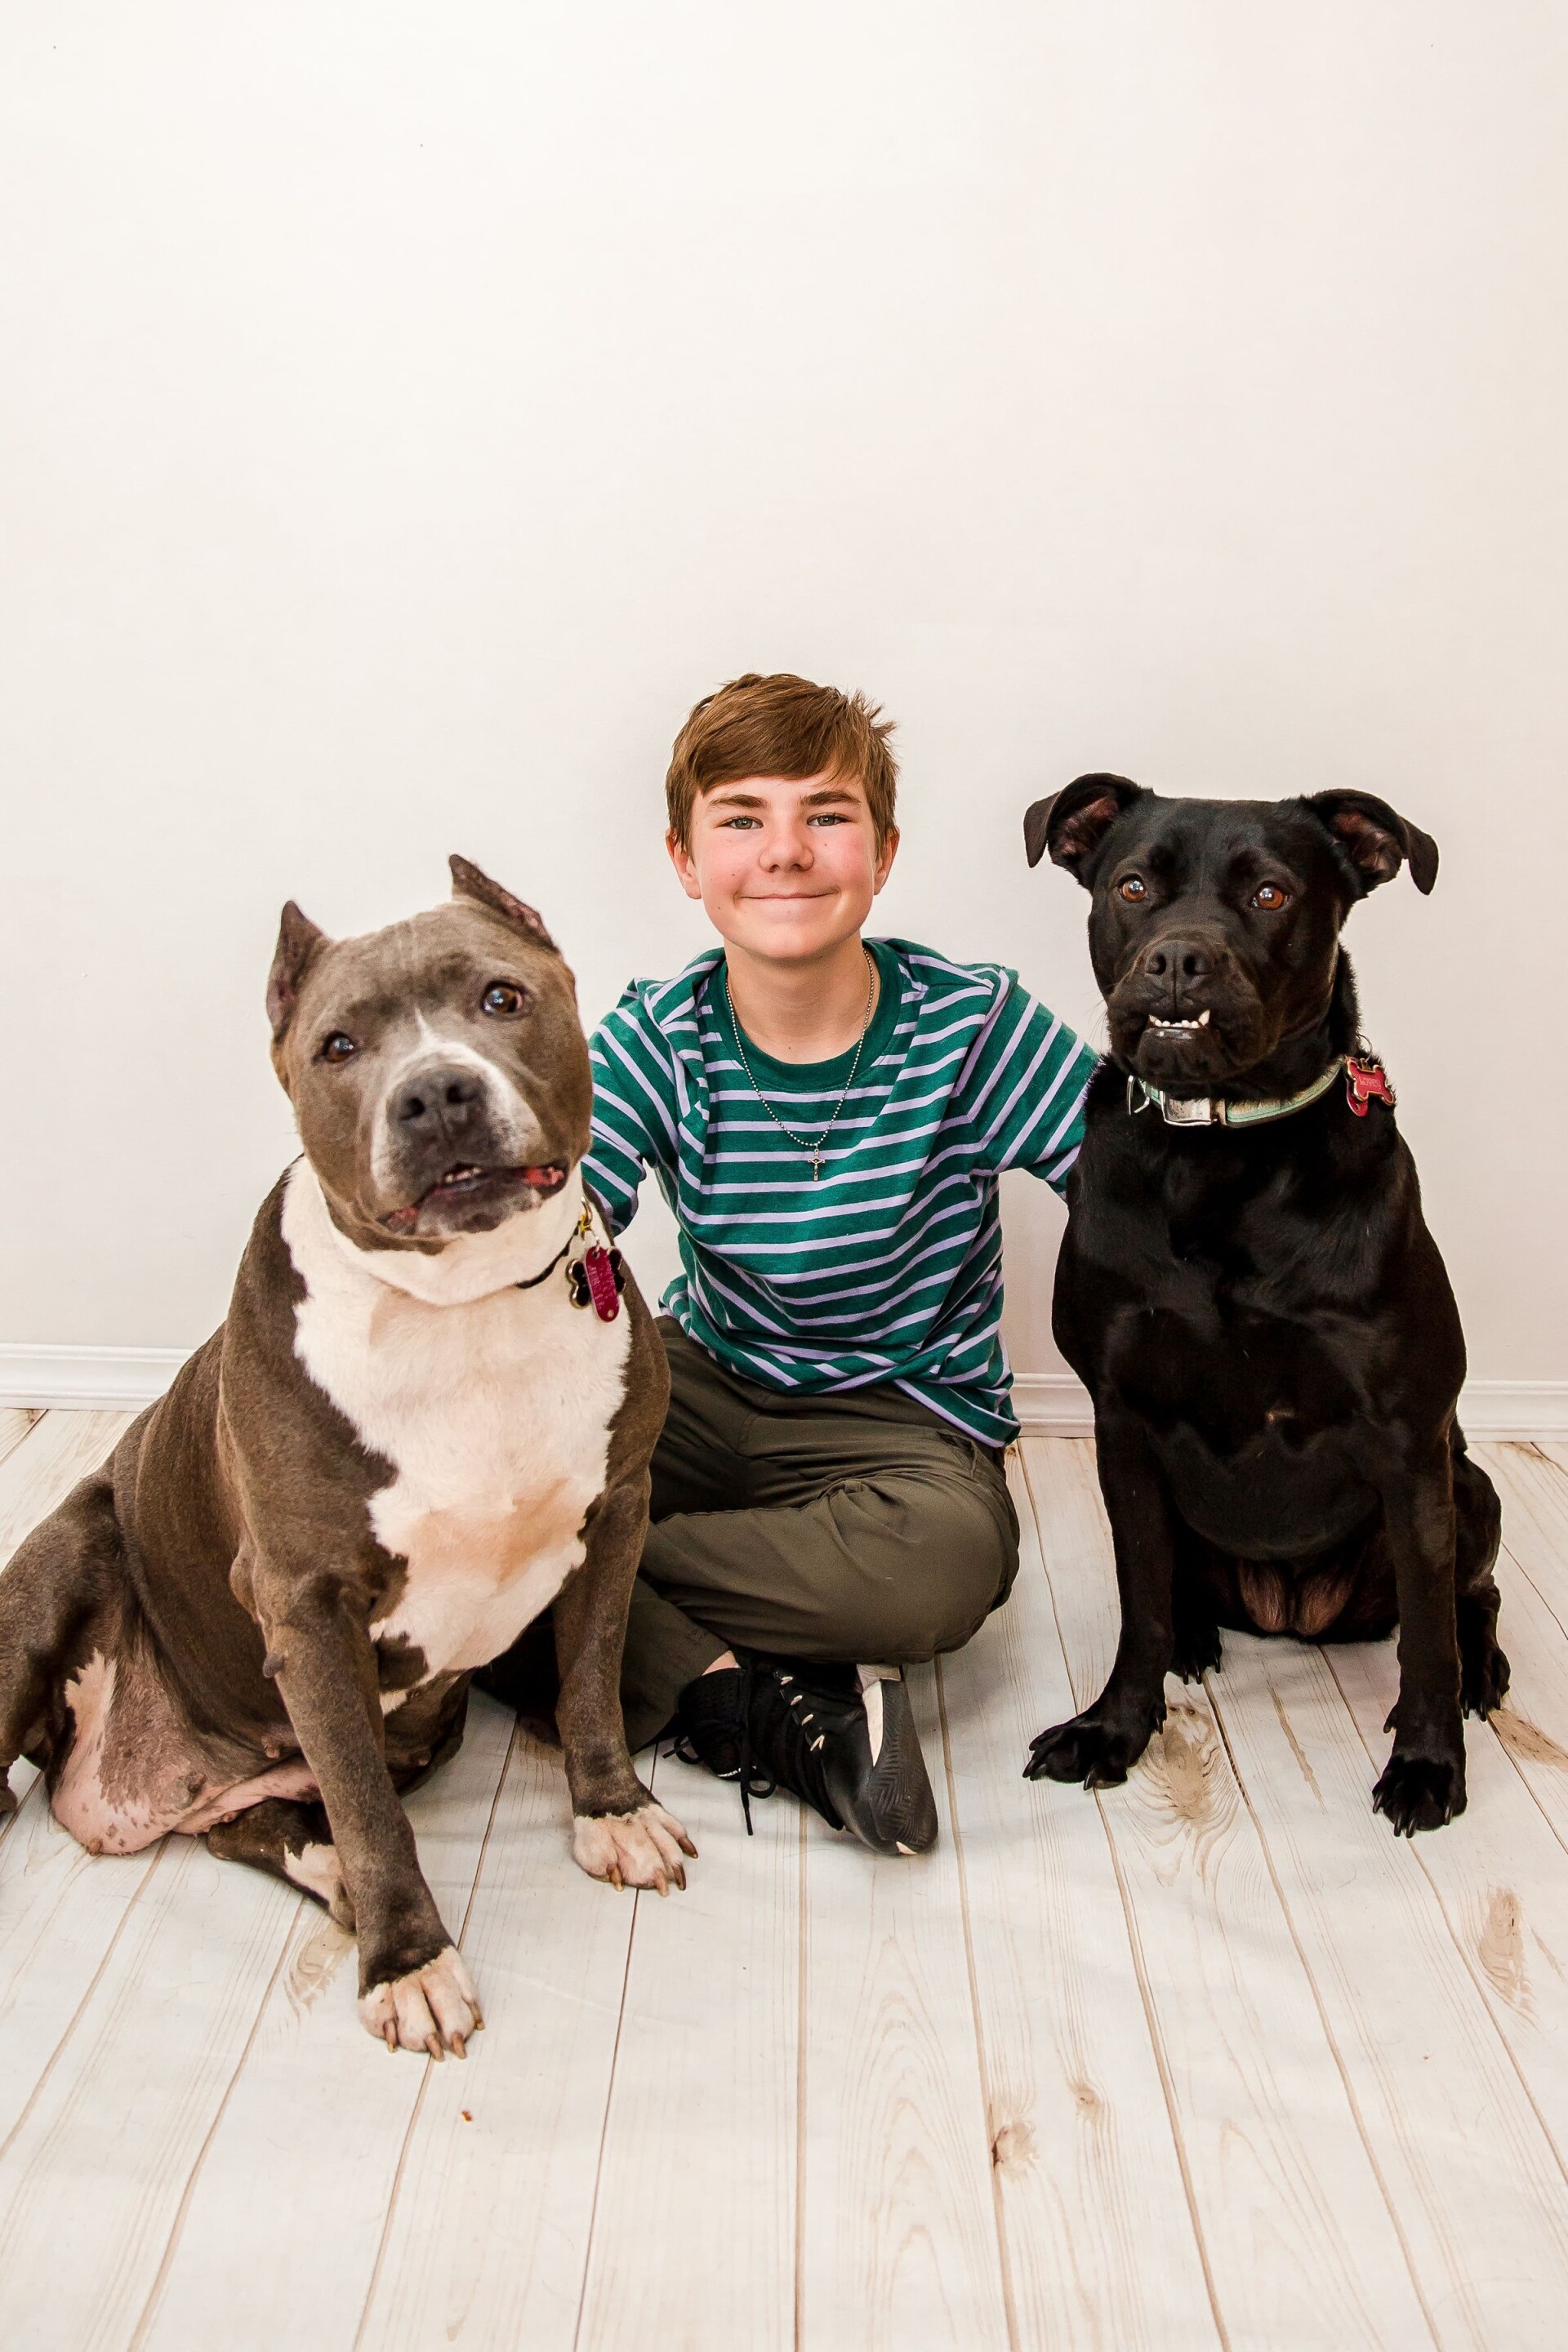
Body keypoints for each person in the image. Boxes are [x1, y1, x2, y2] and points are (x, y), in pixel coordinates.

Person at [489, 673, 1095, 1855]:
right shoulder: (658, 1037)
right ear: (683, 859)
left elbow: (1138, 1203)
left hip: (905, 1418)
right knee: (479, 1525)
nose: (786, 853)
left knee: (948, 1574)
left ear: (883, 850)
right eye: (741, 820)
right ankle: (774, 1706)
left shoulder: (969, 1025)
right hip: (704, 1384)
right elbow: (560, 1249)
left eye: (825, 815)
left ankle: (589, 1574)